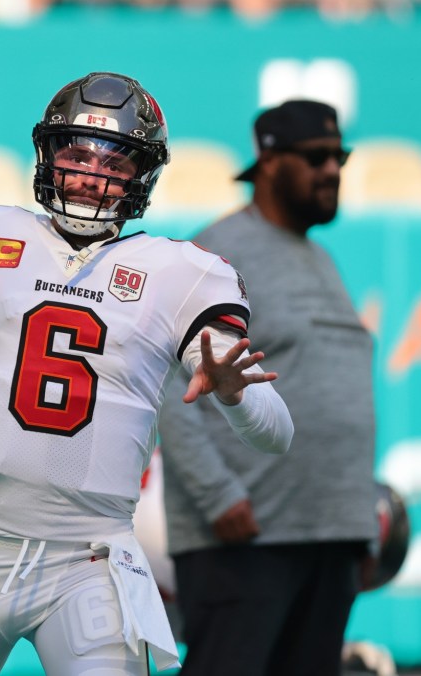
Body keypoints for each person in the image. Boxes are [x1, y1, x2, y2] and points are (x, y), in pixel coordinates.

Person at [0, 71, 294, 675]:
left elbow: (275, 433)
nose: (92, 173)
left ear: (140, 175)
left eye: (114, 161)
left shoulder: (181, 273)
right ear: (47, 155)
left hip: (87, 562)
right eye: (77, 153)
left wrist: (234, 396)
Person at [155, 99, 378, 676]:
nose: (332, 170)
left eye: (339, 157)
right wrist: (217, 494)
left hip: (326, 532)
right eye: (316, 157)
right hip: (246, 534)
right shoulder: (217, 254)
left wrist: (355, 520)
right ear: (271, 162)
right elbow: (171, 386)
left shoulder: (321, 258)